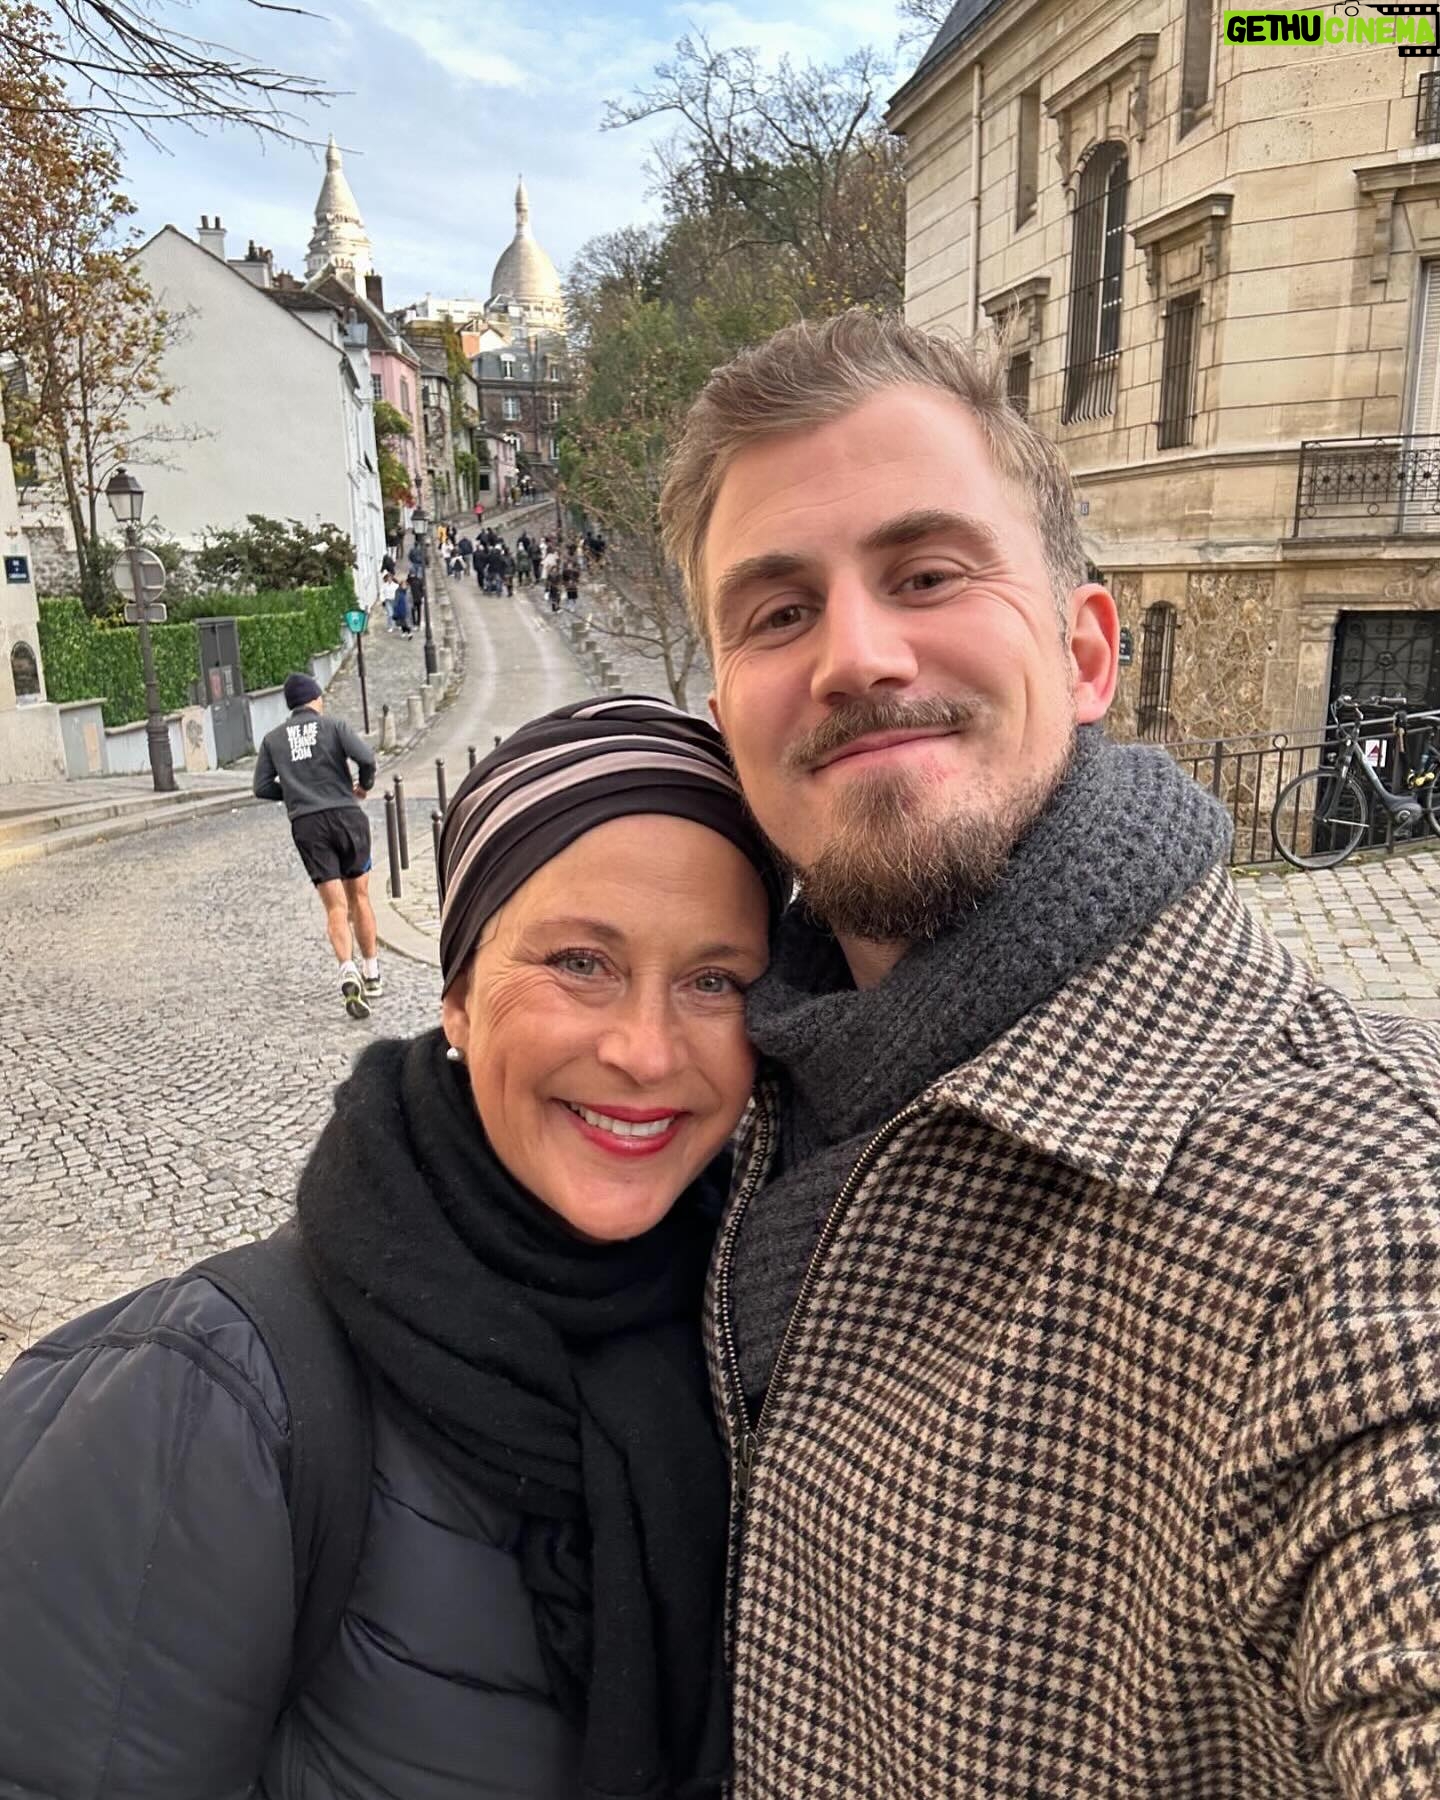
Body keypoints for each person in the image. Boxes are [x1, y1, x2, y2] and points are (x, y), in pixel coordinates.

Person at [656, 309, 1440, 1798]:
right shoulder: (725, 1097)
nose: (856, 656)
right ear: (727, 725)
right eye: (778, 612)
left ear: (1086, 652)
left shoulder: (1358, 1202)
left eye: (927, 575)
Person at [0, 697, 781, 1800]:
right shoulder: (219, 1399)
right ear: (456, 995)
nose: (647, 1053)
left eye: (714, 981)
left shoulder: (783, 1331)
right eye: (580, 961)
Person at [249, 671, 381, 1019]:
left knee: (335, 906)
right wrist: (363, 786)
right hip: (347, 816)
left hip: (307, 824)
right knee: (360, 896)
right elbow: (366, 758)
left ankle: (347, 969)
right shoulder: (334, 726)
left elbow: (261, 787)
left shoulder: (273, 739)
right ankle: (372, 973)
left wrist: (294, 792)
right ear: (315, 699)